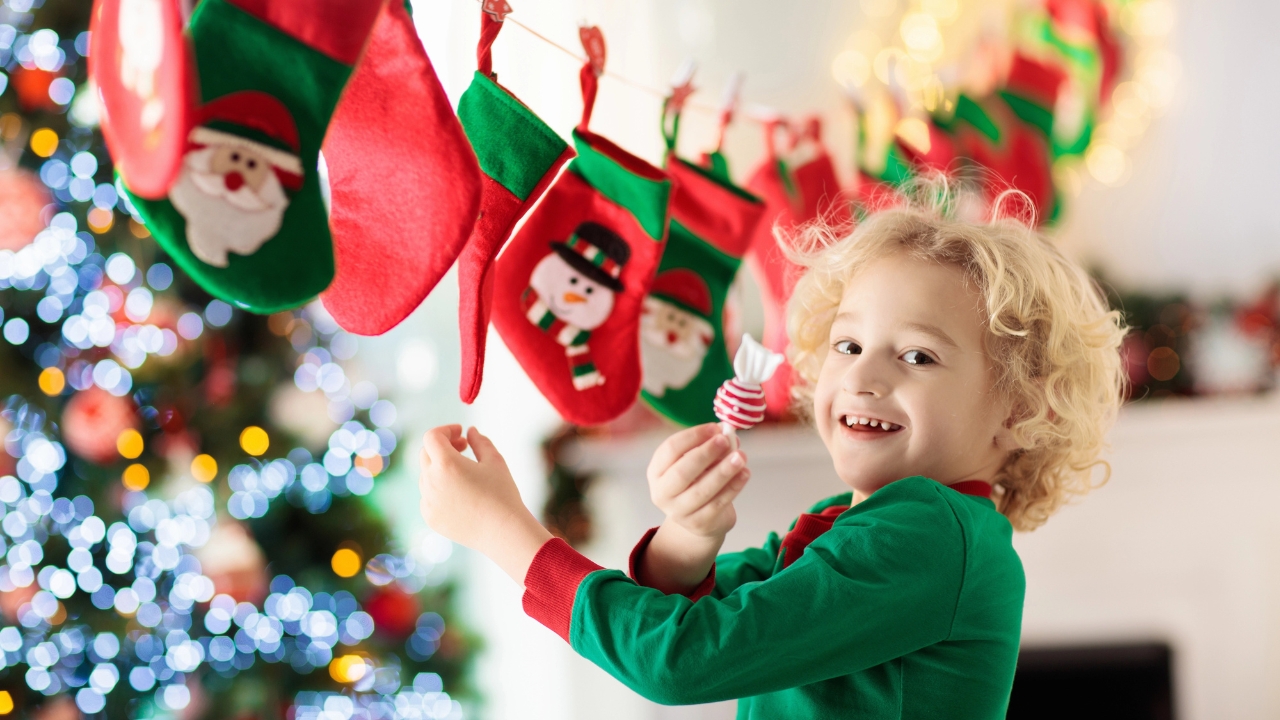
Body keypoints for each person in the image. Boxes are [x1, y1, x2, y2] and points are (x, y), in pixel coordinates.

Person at [418, 183, 1128, 718]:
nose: (864, 375)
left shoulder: (929, 537)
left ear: (1020, 408)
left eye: (917, 355)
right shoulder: (857, 526)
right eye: (849, 344)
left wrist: (505, 534)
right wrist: (689, 535)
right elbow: (685, 614)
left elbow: (680, 660)